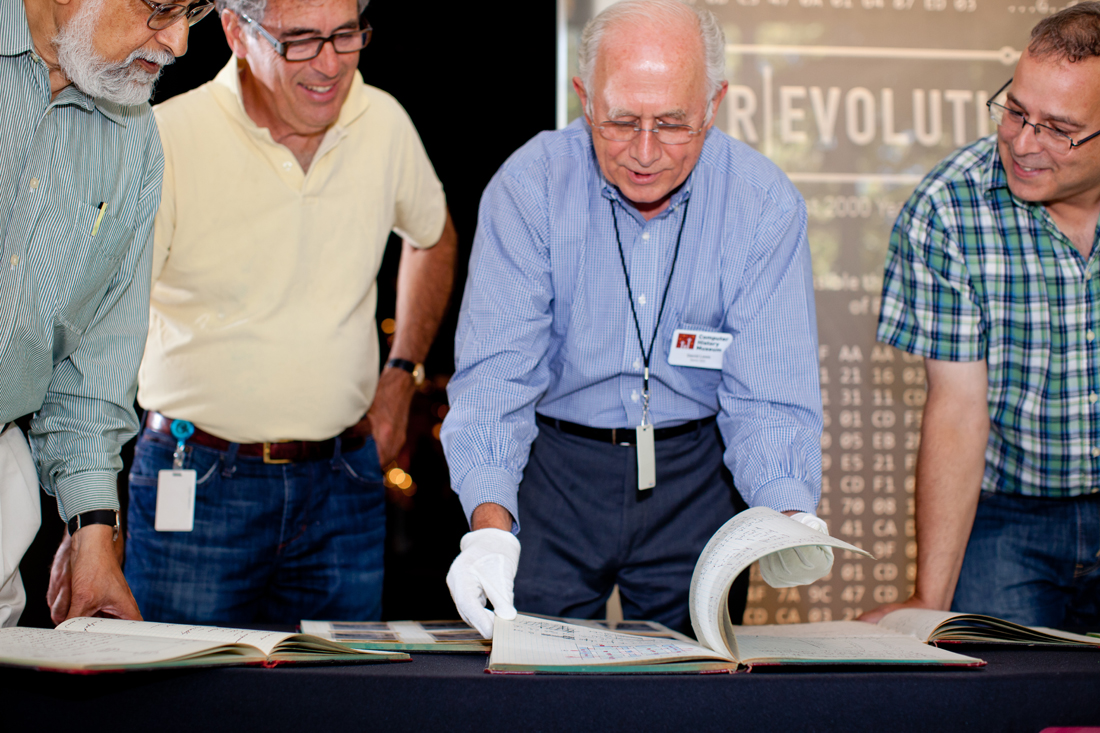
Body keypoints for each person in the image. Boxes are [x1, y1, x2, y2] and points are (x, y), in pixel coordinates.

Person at [48, 0, 456, 625]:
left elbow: (433, 237)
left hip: (345, 484)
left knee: (344, 687)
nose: (330, 64)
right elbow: (98, 336)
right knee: (181, 684)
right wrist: (89, 521)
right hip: (196, 481)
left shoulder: (383, 121)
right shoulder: (164, 138)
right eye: (301, 40)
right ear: (237, 32)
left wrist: (402, 376)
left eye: (346, 34)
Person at [441, 0, 832, 639]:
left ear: (713, 104)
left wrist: (787, 510)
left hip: (699, 476)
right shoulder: (530, 186)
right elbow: (496, 379)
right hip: (554, 472)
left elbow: (766, 394)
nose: (644, 153)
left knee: (698, 678)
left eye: (672, 123)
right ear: (584, 98)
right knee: (536, 671)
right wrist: (490, 527)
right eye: (621, 121)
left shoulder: (762, 202)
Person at [862, 3, 1100, 628]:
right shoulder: (947, 208)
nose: (1023, 143)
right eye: (1015, 111)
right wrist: (930, 601)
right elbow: (958, 409)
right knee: (1002, 681)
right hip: (1008, 511)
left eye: (1058, 129)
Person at [0, 0, 209, 627]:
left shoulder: (135, 139)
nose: (179, 42)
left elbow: (96, 361)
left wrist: (93, 535)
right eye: (162, 7)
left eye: (193, 11)